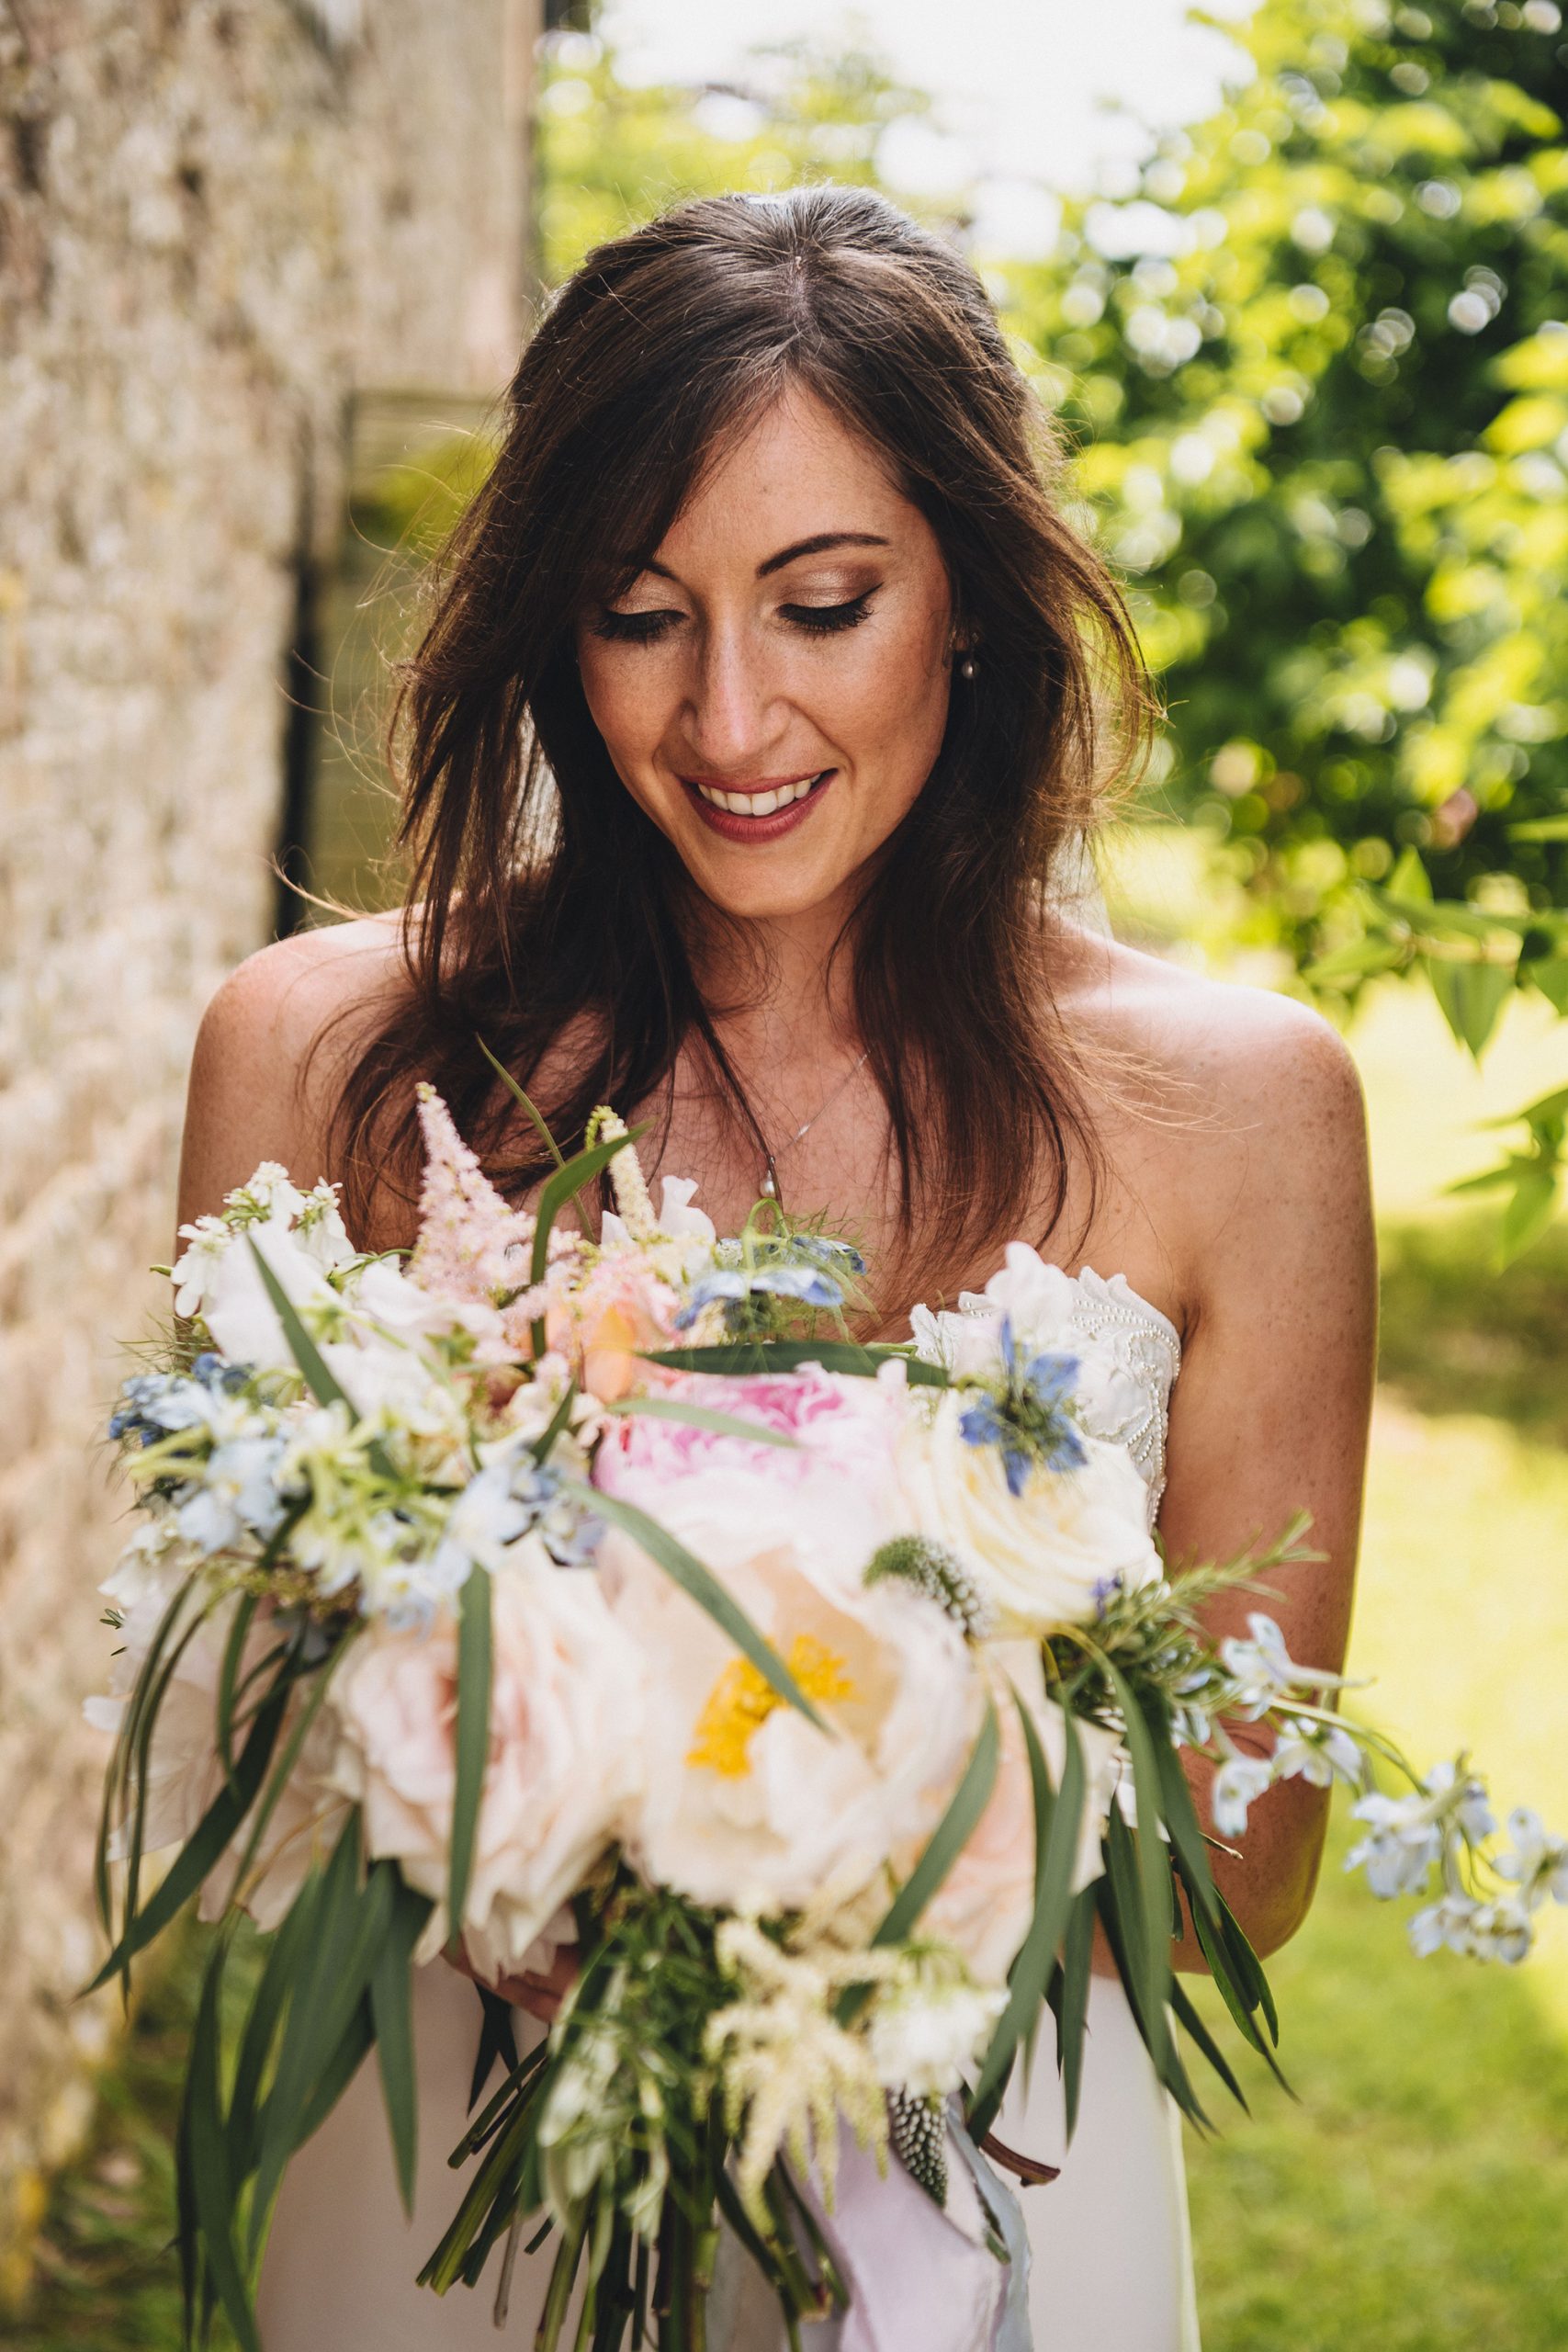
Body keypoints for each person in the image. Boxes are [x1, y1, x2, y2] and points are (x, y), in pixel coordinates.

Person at [176, 185, 1375, 2349]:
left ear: (970, 605)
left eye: (822, 602)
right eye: (642, 616)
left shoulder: (1241, 1108)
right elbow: (251, 1726)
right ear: (551, 630)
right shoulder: (321, 1058)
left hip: (980, 2199)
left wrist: (791, 1816)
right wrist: (556, 1812)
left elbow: (1247, 1862)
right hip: (450, 2173)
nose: (731, 717)